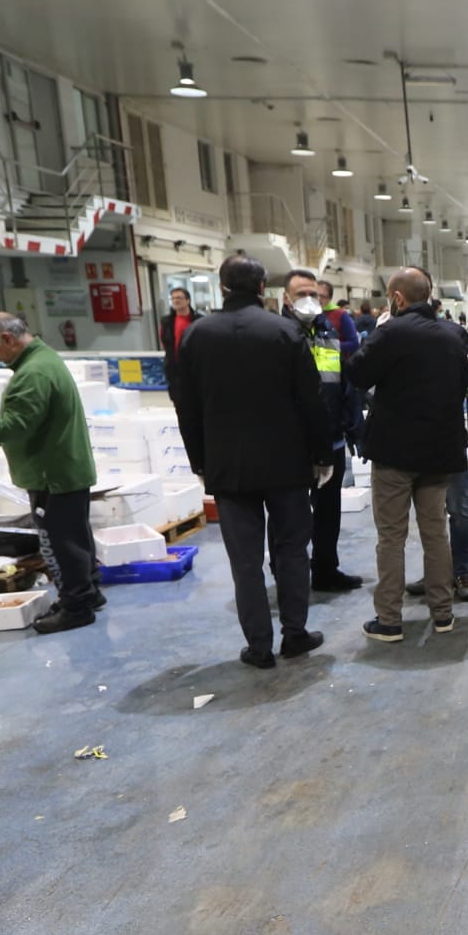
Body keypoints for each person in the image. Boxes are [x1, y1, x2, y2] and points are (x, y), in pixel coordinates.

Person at [171, 256, 330, 670]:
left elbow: (185, 407)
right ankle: (295, 634)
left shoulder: (196, 335)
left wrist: (199, 461)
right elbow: (310, 400)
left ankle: (259, 646)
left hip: (228, 466)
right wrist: (322, 454)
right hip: (287, 463)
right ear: (263, 289)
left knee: (245, 562)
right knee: (292, 551)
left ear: (222, 287)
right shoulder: (286, 331)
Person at [0, 313, 102, 634]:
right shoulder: (42, 359)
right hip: (64, 468)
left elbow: (16, 424)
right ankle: (88, 593)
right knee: (76, 538)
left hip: (51, 474)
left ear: (8, 340)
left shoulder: (33, 373)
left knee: (61, 543)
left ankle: (76, 607)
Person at [346, 268, 468, 642]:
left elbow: (357, 374)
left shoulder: (391, 333)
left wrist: (378, 333)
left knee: (392, 537)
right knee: (436, 534)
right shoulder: (454, 336)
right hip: (440, 453)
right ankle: (443, 614)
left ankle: (389, 619)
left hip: (395, 453)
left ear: (397, 299)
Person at [281, 269, 364, 593]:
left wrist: (353, 423)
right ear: (286, 298)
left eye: (314, 294)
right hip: (294, 441)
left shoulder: (327, 329)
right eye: (301, 293)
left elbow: (341, 380)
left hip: (330, 435)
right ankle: (289, 576)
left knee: (329, 511)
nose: (309, 300)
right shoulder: (281, 334)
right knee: (290, 514)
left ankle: (326, 570)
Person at [158, 287, 200, 382]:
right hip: (174, 368)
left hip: (195, 366)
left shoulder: (199, 320)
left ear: (187, 300)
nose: (175, 301)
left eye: (179, 298)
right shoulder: (166, 322)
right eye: (173, 298)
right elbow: (164, 341)